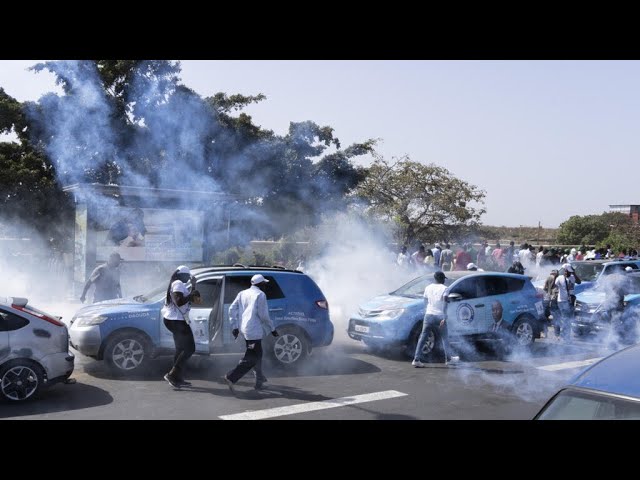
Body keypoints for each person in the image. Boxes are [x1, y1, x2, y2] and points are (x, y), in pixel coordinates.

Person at [224, 274, 279, 393]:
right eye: (264, 284)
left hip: (244, 328)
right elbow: (264, 315)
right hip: (253, 331)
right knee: (253, 357)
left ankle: (259, 381)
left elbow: (231, 309)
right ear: (260, 284)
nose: (265, 286)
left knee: (257, 355)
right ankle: (231, 377)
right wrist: (273, 329)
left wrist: (235, 326)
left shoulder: (242, 293)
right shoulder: (260, 295)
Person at [161, 265, 201, 388]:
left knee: (180, 349)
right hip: (177, 321)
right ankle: (172, 374)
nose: (188, 279)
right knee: (190, 349)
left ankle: (177, 377)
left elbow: (190, 298)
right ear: (181, 275)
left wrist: (193, 286)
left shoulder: (177, 283)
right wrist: (191, 294)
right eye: (187, 276)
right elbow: (179, 301)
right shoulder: (178, 283)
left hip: (176, 320)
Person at [412, 271, 459, 367]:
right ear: (441, 279)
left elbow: (425, 301)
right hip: (439, 316)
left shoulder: (428, 288)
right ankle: (449, 359)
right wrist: (445, 317)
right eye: (443, 279)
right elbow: (445, 304)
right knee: (444, 338)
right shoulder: (445, 288)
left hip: (428, 315)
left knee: (423, 336)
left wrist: (427, 312)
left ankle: (416, 359)